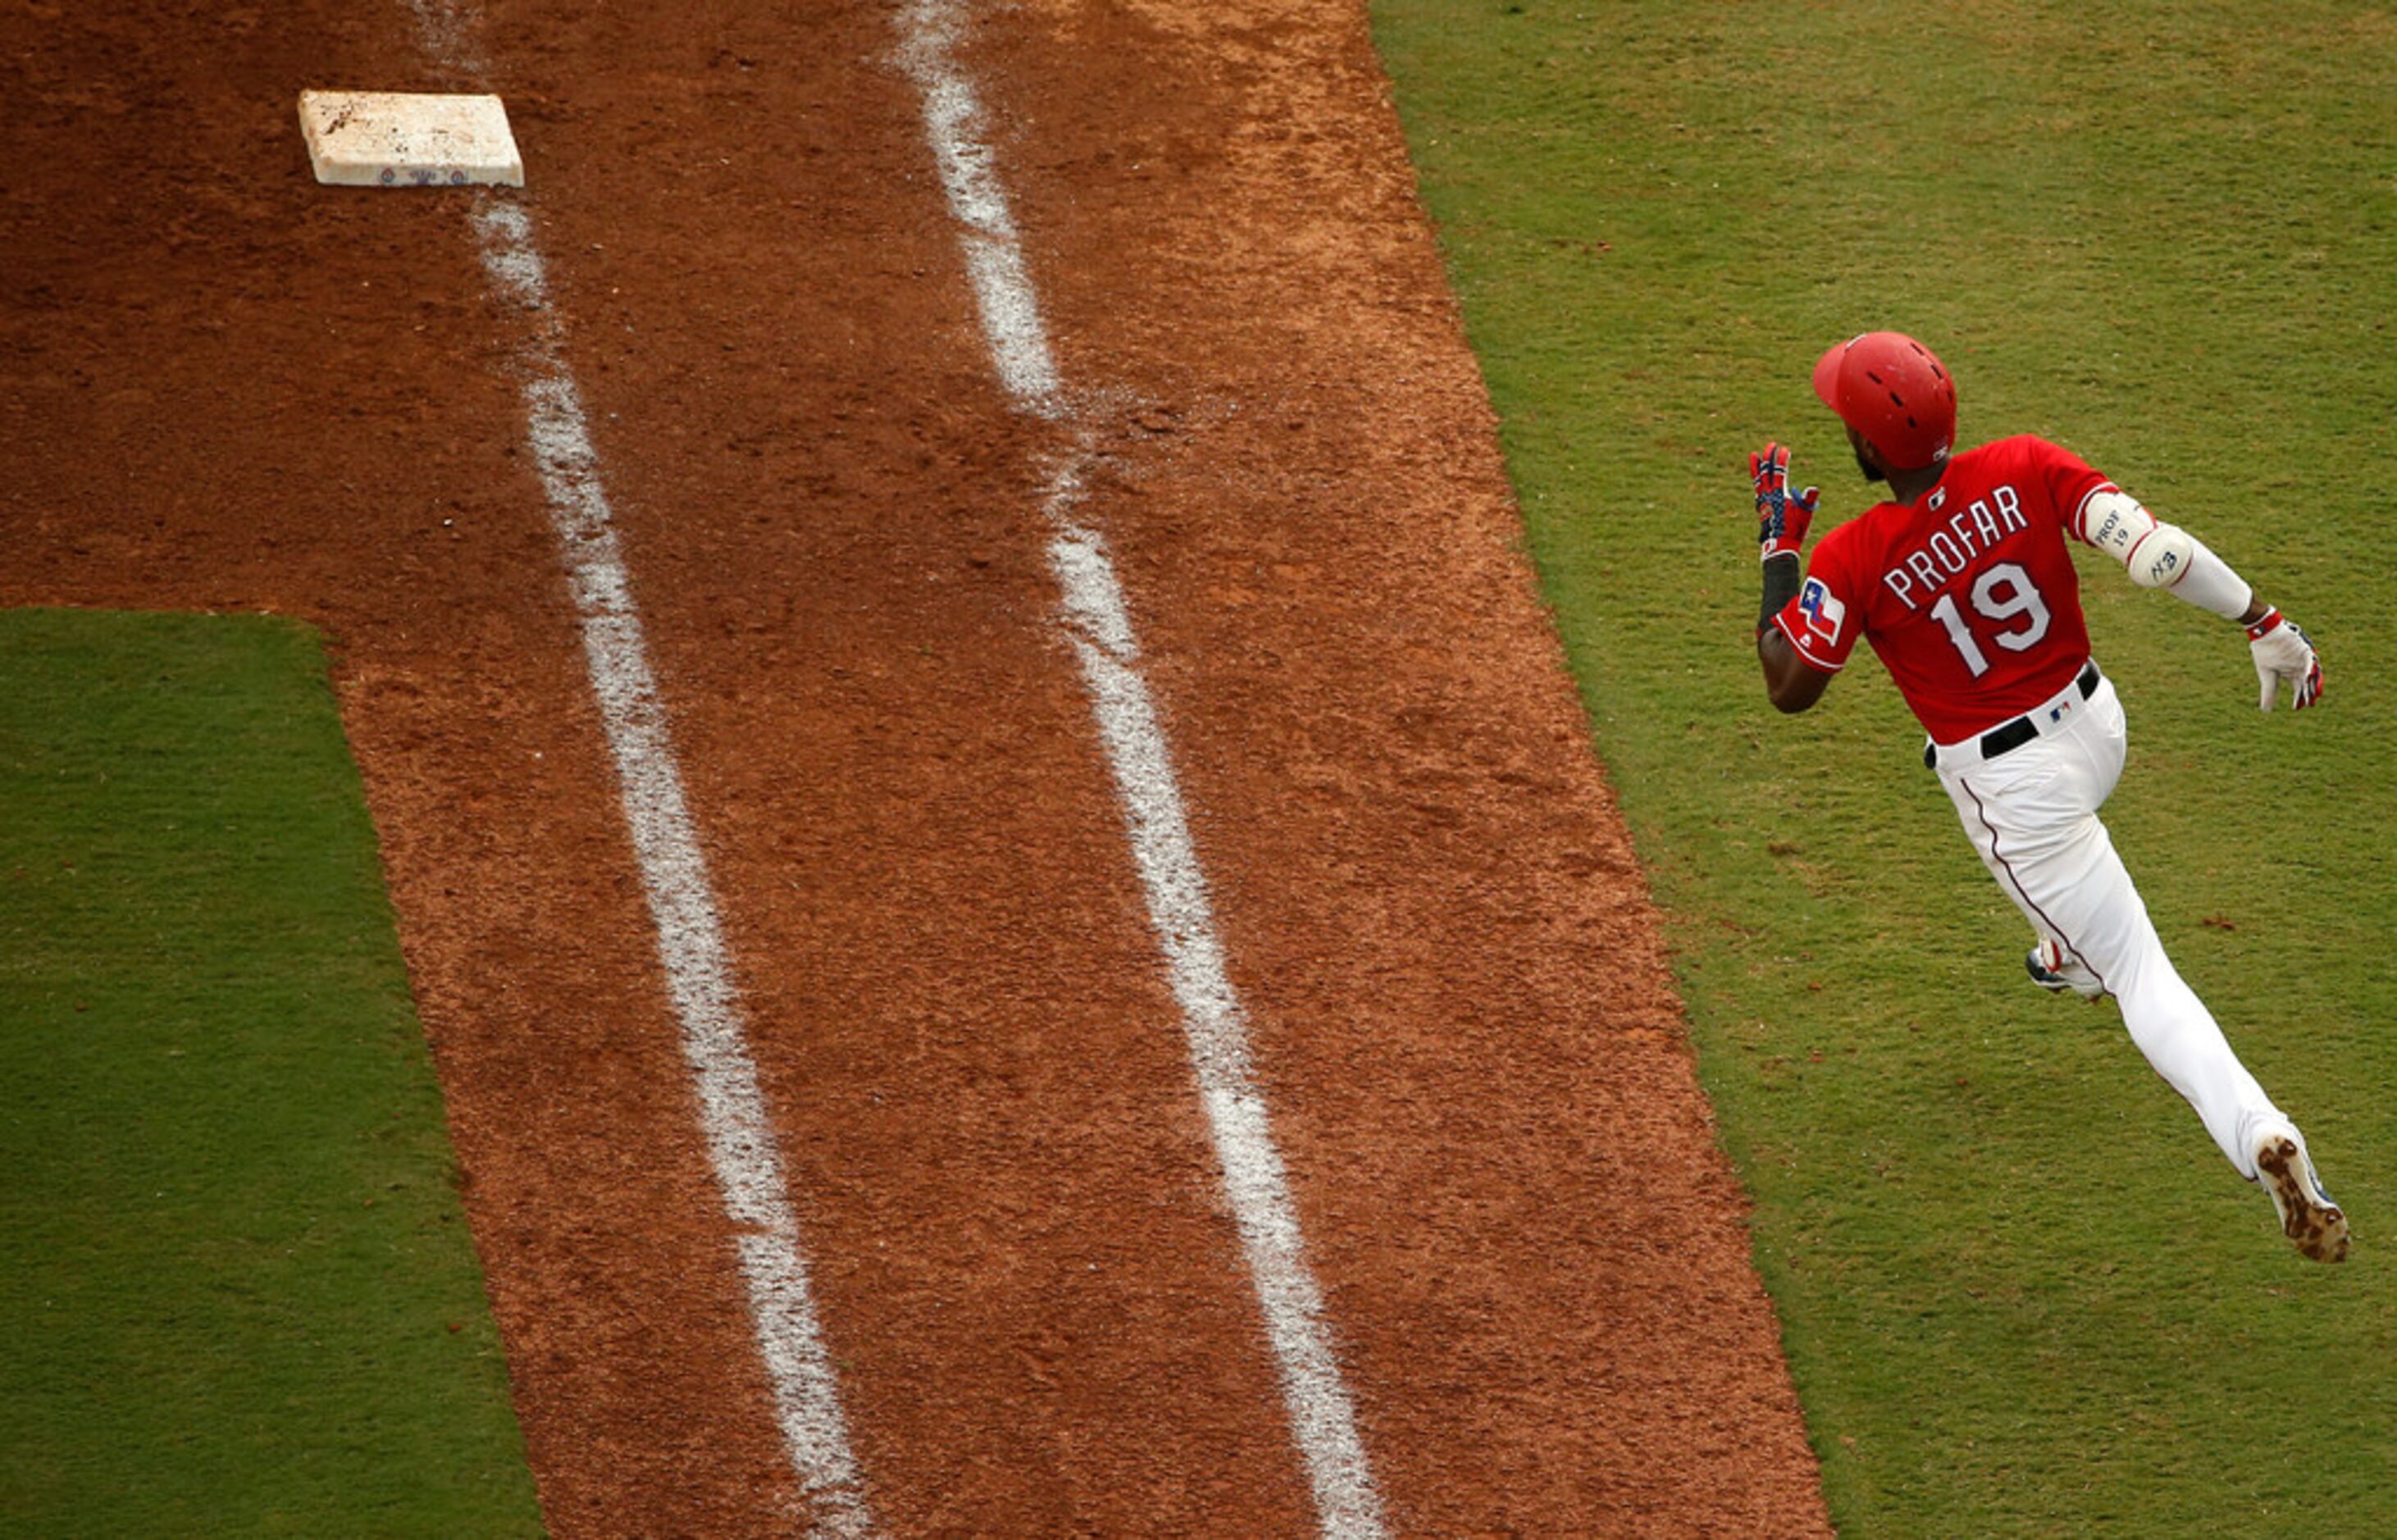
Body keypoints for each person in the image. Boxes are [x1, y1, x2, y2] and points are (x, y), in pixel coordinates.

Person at [1748, 330, 2346, 1263]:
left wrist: (1778, 555)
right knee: (2064, 901)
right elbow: (2153, 554)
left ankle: (2257, 1130)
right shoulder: (2025, 463)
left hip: (2018, 791)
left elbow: (1790, 684)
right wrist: (2262, 621)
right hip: (2097, 728)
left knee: (2141, 974)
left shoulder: (1852, 556)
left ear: (1868, 449)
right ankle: (2065, 947)